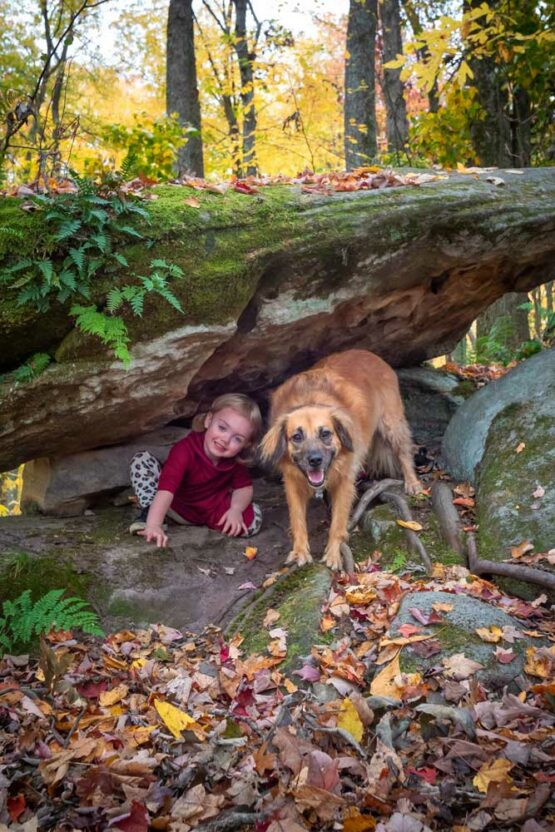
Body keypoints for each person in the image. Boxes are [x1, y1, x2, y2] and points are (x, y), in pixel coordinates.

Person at [128, 393, 263, 547]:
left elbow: (244, 487)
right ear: (208, 420)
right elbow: (166, 489)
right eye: (222, 428)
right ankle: (150, 513)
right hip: (174, 506)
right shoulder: (184, 450)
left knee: (252, 522)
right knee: (142, 461)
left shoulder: (235, 461)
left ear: (246, 444)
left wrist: (236, 510)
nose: (226, 439)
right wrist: (154, 525)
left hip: (210, 510)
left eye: (237, 439)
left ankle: (224, 519)